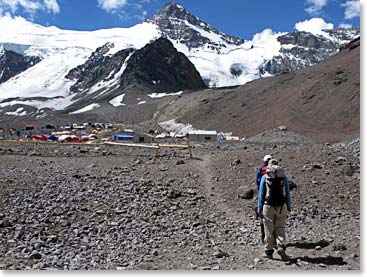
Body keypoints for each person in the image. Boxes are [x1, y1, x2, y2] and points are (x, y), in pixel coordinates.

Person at [257, 159, 291, 261]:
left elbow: (261, 195)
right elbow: (287, 193)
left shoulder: (265, 177)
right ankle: (281, 246)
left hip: (268, 206)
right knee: (280, 227)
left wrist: (259, 208)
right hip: (282, 206)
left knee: (268, 229)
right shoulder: (283, 177)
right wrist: (288, 206)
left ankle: (269, 252)